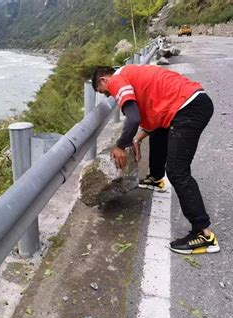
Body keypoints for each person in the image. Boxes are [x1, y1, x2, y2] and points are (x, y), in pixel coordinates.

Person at [91, 65, 219, 254]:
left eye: (105, 93)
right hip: (192, 102)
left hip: (188, 109)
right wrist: (136, 139)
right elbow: (156, 118)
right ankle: (156, 178)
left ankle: (204, 234)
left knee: (177, 171)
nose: (110, 96)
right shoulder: (132, 73)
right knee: (160, 133)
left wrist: (121, 145)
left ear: (103, 80)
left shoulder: (116, 80)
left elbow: (133, 118)